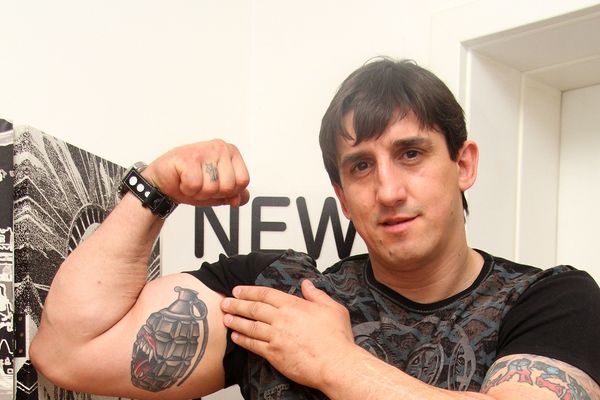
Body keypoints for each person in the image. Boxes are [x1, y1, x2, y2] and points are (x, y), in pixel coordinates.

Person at [29, 59, 600, 400]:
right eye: (361, 166)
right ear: (342, 197)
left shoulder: (551, 300)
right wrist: (153, 190)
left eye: (411, 153)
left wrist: (335, 362)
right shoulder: (276, 297)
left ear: (464, 164)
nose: (388, 190)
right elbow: (68, 351)